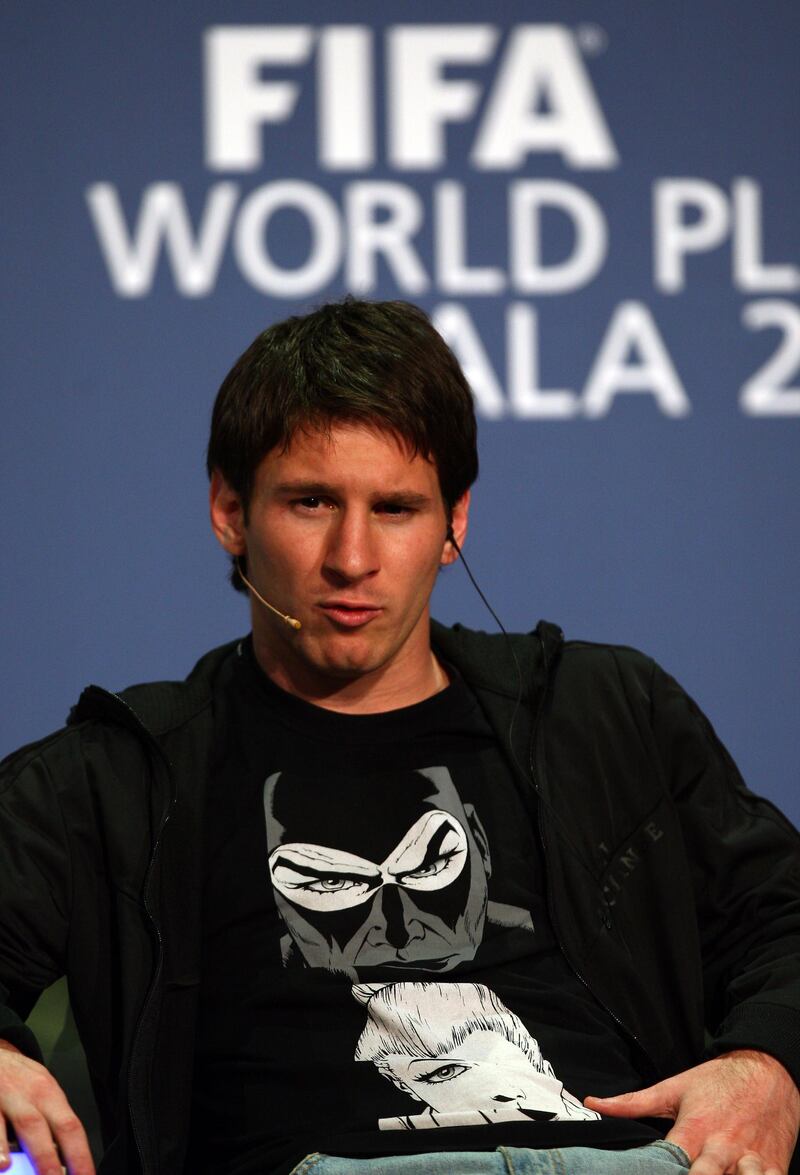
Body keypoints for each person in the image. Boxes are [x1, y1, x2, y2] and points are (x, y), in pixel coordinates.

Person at [0, 298, 798, 1175]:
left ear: (455, 524)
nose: (351, 557)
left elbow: (783, 918)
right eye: (310, 501)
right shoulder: (116, 775)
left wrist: (765, 1064)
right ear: (231, 510)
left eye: (396, 507)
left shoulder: (605, 712)